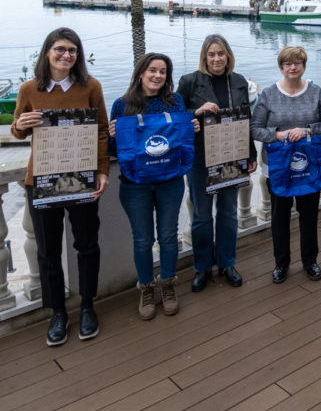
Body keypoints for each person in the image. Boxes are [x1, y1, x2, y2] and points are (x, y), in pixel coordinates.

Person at [12, 27, 109, 346]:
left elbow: (100, 132)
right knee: (48, 250)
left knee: (87, 245)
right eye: (60, 49)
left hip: (81, 179)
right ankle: (57, 313)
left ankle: (86, 307)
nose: (66, 55)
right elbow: (18, 131)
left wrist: (102, 171)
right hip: (40, 180)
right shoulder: (29, 89)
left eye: (72, 50)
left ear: (78, 56)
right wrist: (19, 125)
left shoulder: (90, 86)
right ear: (47, 53)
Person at [109, 53, 199, 321]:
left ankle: (168, 284)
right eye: (152, 70)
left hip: (170, 182)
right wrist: (111, 136)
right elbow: (115, 151)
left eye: (162, 72)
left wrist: (190, 128)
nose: (157, 76)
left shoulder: (175, 102)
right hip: (135, 184)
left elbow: (180, 144)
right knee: (142, 239)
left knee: (169, 236)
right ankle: (147, 288)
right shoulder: (121, 105)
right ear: (140, 73)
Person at [178, 34, 257, 293]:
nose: (216, 59)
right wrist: (196, 113)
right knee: (201, 216)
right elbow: (178, 118)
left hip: (233, 155)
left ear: (228, 55)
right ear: (204, 57)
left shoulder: (239, 81)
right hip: (201, 159)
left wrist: (251, 155)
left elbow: (246, 119)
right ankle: (202, 267)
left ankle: (227, 263)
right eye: (211, 54)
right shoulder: (190, 82)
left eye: (220, 54)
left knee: (228, 213)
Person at [251, 46, 321, 283]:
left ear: (304, 65)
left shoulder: (316, 92)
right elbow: (255, 129)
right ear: (281, 67)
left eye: (297, 63)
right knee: (279, 217)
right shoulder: (267, 94)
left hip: (309, 166)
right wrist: (278, 135)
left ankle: (310, 261)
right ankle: (281, 264)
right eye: (288, 63)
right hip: (277, 167)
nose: (293, 67)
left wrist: (306, 130)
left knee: (309, 216)